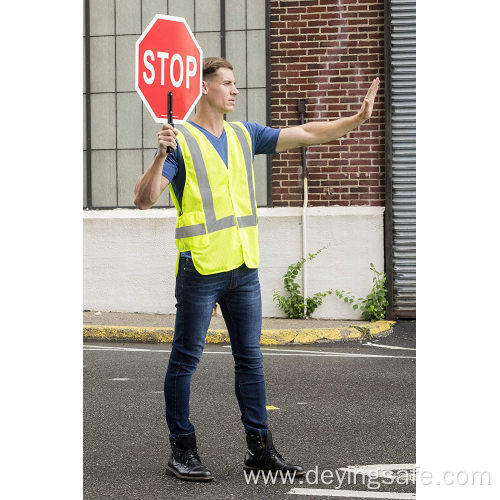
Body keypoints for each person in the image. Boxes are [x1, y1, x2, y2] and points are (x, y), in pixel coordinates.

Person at [134, 57, 379, 482]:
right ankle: (182, 451)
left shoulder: (244, 134)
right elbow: (144, 197)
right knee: (185, 360)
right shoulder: (182, 142)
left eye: (235, 83)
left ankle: (260, 450)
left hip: (243, 268)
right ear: (204, 88)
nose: (234, 90)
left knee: (250, 360)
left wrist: (354, 119)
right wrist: (160, 156)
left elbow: (305, 133)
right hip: (201, 268)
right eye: (226, 83)